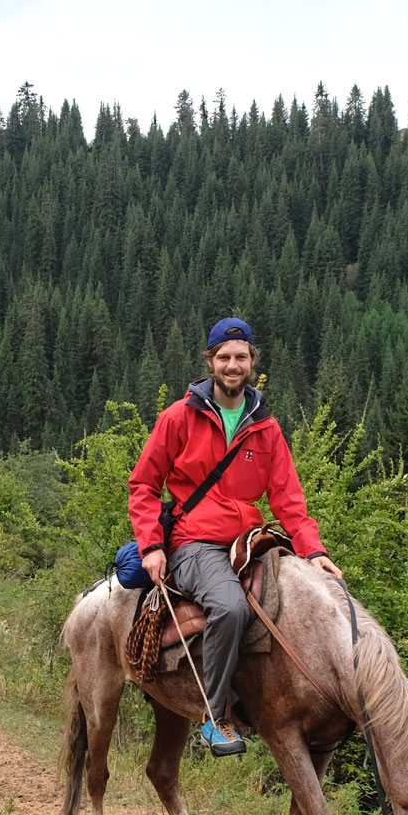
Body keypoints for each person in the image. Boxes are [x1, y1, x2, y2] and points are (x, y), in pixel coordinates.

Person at [128, 318, 344, 755]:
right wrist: (152, 545)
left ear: (252, 362)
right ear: (210, 362)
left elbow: (289, 501)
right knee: (228, 605)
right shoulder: (179, 417)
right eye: (224, 357)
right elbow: (144, 485)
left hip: (249, 540)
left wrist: (315, 552)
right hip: (194, 541)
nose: (232, 365)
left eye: (240, 357)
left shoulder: (265, 428)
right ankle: (214, 715)